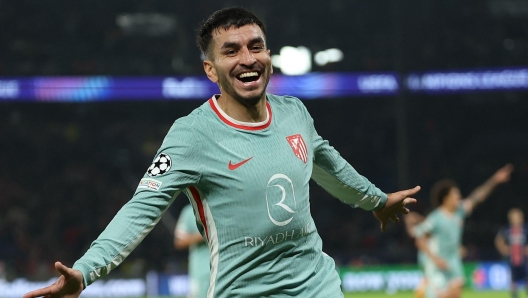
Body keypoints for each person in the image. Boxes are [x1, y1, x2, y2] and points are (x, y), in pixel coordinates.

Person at [23, 7, 420, 298]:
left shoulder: (294, 112)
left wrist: (375, 201)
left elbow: (327, 162)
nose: (248, 59)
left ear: (269, 55)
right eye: (231, 51)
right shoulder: (192, 135)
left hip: (317, 287)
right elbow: (140, 209)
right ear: (211, 70)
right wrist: (86, 271)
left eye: (256, 47)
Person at [412, 164, 514, 298]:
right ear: (446, 198)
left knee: (456, 293)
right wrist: (435, 259)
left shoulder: (459, 211)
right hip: (438, 264)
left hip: (453, 260)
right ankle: (423, 290)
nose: (459, 196)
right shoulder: (435, 218)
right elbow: (420, 241)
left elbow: (477, 196)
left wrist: (495, 180)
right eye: (455, 194)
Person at [174, 204, 210, 298]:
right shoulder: (189, 211)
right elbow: (179, 241)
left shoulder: (224, 205)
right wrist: (205, 234)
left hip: (226, 267)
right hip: (201, 270)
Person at [495, 208, 528, 298]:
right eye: (513, 217)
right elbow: (498, 240)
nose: (515, 219)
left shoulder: (525, 228)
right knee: (513, 281)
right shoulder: (507, 229)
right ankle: (515, 296)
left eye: (517, 217)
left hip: (525, 260)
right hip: (512, 260)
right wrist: (503, 249)